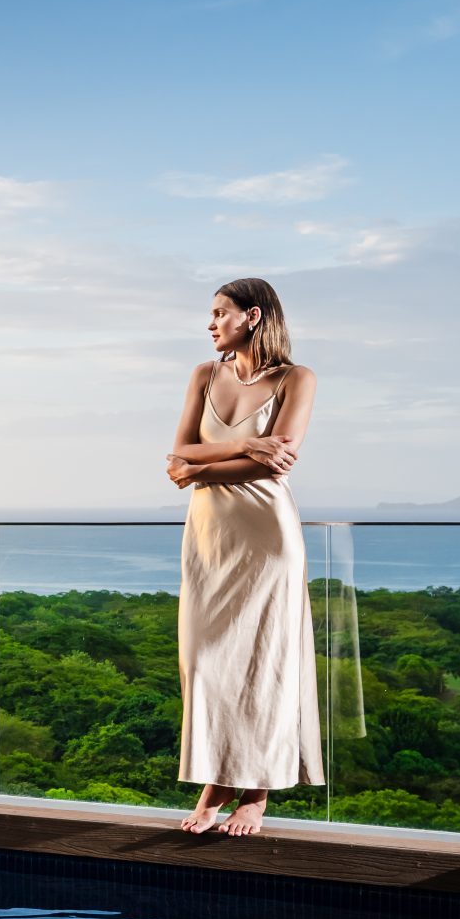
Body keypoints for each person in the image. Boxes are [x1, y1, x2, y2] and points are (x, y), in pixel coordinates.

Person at [165, 277, 324, 834]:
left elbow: (276, 462)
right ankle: (218, 778)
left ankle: (253, 793)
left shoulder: (295, 379)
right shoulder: (203, 375)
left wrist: (201, 468)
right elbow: (176, 451)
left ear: (251, 316)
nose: (210, 324)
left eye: (219, 313)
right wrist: (239, 444)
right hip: (209, 539)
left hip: (267, 537)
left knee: (265, 661)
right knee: (204, 663)